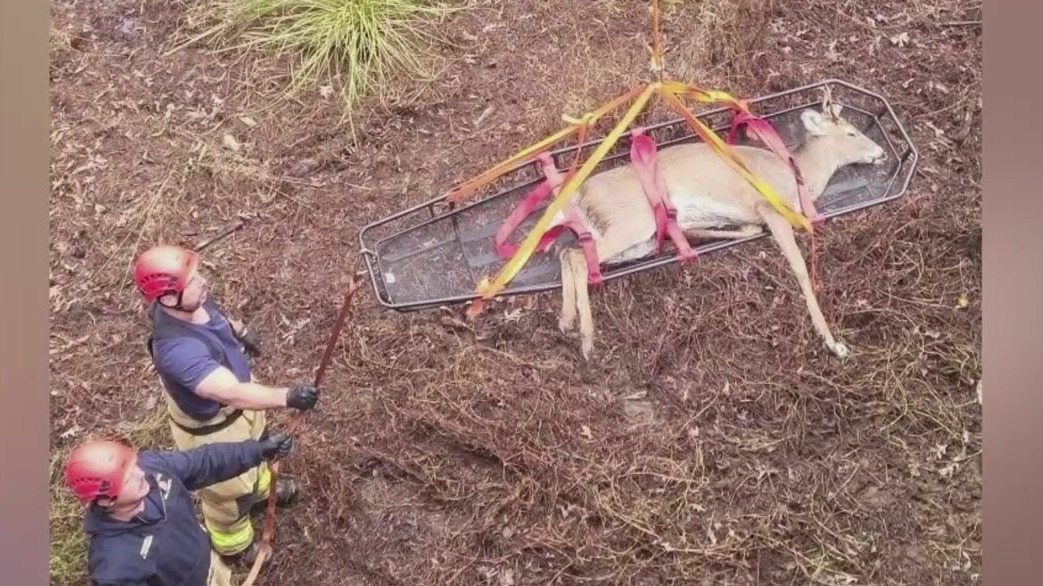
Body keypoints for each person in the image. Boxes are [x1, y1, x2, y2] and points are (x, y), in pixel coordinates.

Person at [131, 243, 320, 563]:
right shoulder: (177, 351)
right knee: (228, 490)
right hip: (215, 428)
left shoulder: (190, 302)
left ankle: (260, 490)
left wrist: (239, 330)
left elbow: (214, 315)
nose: (203, 282)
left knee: (259, 448)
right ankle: (234, 543)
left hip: (239, 413)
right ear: (166, 299)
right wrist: (286, 396)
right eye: (191, 282)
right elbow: (230, 391)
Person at [63, 433, 295, 586]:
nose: (141, 474)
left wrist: (258, 451)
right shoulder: (115, 567)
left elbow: (202, 462)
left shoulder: (151, 468)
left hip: (211, 567)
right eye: (128, 480)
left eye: (134, 466)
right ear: (106, 501)